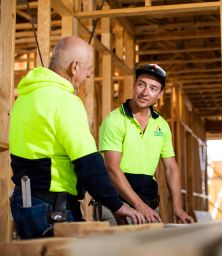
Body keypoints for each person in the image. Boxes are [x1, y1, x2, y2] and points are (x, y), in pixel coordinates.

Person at [9, 36, 145, 239]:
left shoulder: (25, 98)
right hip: (52, 208)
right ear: (75, 67)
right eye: (89, 68)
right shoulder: (64, 101)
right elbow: (88, 162)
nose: (89, 75)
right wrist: (116, 205)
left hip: (24, 203)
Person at [99, 64, 194, 224]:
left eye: (153, 88)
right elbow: (112, 168)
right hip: (115, 204)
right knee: (118, 249)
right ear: (134, 85)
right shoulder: (114, 120)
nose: (145, 92)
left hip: (147, 203)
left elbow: (171, 167)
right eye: (141, 84)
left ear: (160, 94)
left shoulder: (162, 125)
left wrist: (177, 207)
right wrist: (139, 205)